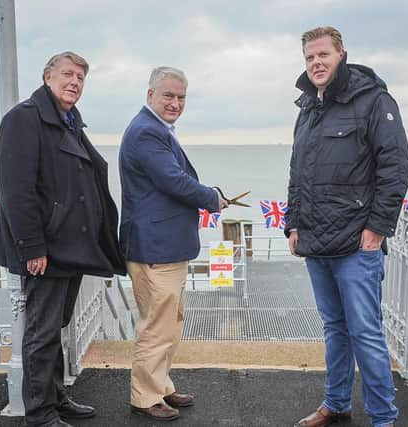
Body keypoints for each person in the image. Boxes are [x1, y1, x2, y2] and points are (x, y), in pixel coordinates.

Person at [285, 27, 408, 427]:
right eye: (309, 57)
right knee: (335, 330)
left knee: (366, 334)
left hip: (358, 245)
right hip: (316, 242)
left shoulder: (374, 100)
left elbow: (396, 168)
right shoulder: (307, 108)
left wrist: (377, 228)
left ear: (341, 55)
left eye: (323, 54)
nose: (316, 63)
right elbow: (298, 173)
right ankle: (336, 403)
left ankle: (383, 418)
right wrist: (293, 223)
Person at [0, 51, 126, 427]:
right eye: (68, 74)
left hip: (71, 247)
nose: (75, 82)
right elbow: (17, 190)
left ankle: (55, 397)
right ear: (48, 77)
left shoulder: (69, 122)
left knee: (57, 326)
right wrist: (32, 247)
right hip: (46, 249)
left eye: (81, 78)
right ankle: (39, 413)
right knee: (42, 330)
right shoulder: (24, 119)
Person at [118, 66, 227, 421]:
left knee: (170, 321)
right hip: (155, 247)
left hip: (166, 246)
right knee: (157, 324)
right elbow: (173, 180)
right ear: (150, 95)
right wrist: (212, 196)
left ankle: (160, 385)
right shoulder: (146, 132)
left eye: (181, 97)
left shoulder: (154, 129)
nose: (175, 103)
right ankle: (145, 396)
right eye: (168, 95)